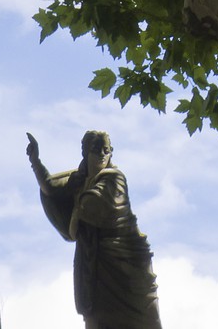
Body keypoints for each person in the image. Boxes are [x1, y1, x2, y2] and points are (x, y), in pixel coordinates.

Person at [27, 130, 163, 329]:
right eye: (96, 149)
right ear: (85, 153)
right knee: (99, 317)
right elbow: (51, 188)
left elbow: (98, 204)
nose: (101, 154)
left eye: (106, 150)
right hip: (95, 261)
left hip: (126, 260)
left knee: (144, 320)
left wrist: (77, 212)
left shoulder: (114, 178)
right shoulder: (78, 180)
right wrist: (35, 162)